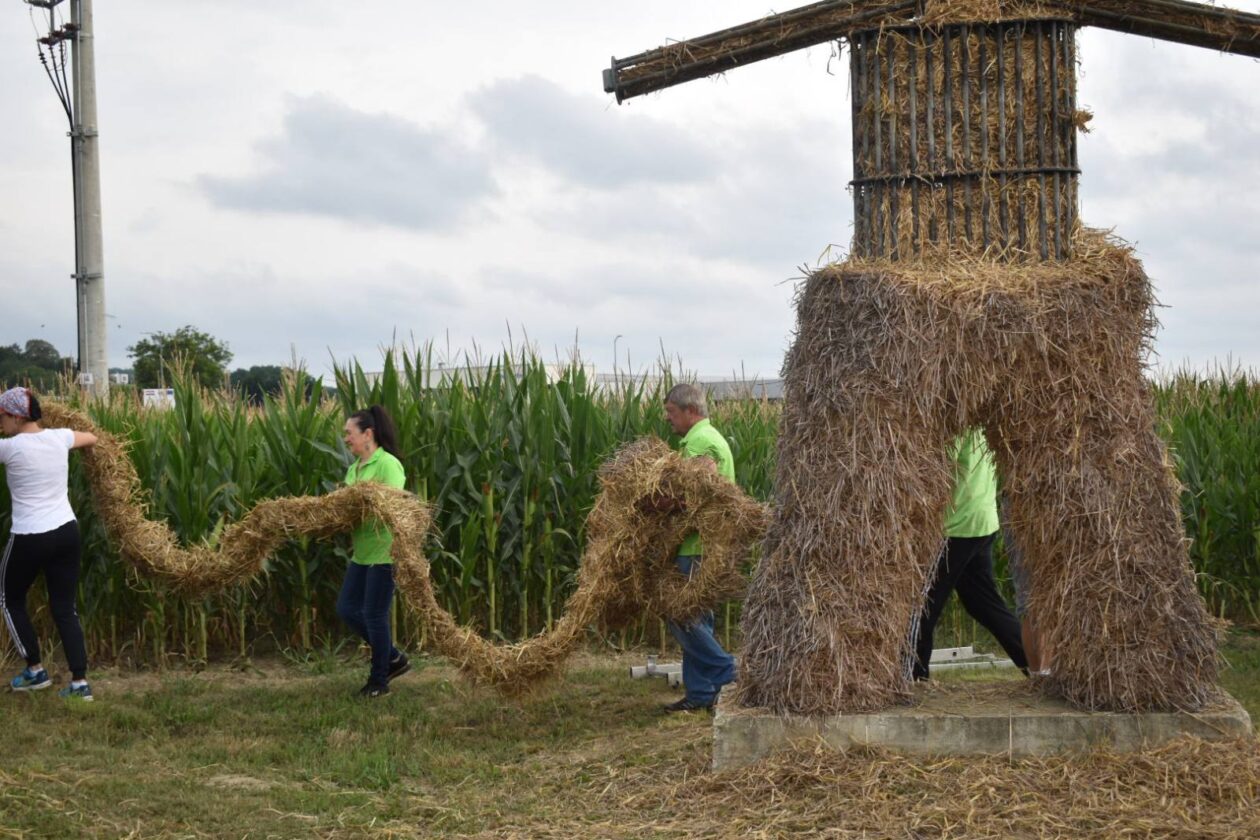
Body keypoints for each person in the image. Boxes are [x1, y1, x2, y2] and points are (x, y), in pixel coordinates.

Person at [0, 387, 98, 700]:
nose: (0, 423)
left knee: (8, 598)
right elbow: (91, 439)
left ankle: (35, 671)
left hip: (30, 536)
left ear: (16, 416)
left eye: (2, 417)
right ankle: (80, 684)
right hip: (67, 532)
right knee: (65, 608)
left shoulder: (10, 448)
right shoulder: (60, 437)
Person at [913, 428, 1028, 680]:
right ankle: (1032, 664)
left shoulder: (956, 422)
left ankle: (912, 677)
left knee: (921, 605)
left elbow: (934, 466)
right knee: (984, 604)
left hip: (955, 527)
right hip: (983, 522)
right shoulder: (983, 426)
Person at [659, 383, 737, 713]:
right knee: (697, 620)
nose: (668, 418)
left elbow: (696, 496)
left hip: (697, 545)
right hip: (705, 543)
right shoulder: (705, 438)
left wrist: (658, 505)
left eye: (671, 412)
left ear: (691, 411)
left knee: (683, 616)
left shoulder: (701, 443)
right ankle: (701, 694)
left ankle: (727, 671)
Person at [337, 405, 410, 698]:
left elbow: (391, 505)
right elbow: (346, 508)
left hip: (384, 551)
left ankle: (379, 680)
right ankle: (392, 657)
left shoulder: (387, 464)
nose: (346, 439)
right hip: (362, 552)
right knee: (346, 608)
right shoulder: (354, 469)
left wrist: (359, 504)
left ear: (368, 434)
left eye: (349, 433)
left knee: (374, 615)